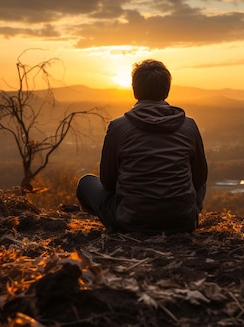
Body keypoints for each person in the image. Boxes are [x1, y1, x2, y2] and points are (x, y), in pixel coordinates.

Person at [76, 59, 207, 234]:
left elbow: (108, 183)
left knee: (86, 183)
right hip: (183, 222)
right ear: (167, 89)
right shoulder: (189, 125)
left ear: (134, 90)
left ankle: (110, 222)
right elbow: (199, 179)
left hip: (131, 222)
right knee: (200, 176)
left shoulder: (118, 127)